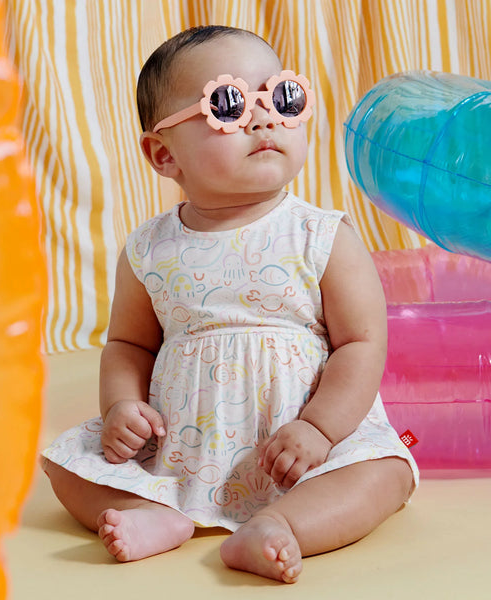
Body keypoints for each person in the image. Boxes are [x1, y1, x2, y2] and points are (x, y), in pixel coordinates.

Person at [41, 25, 419, 585]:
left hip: (301, 443)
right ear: (164, 153)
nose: (264, 119)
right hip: (181, 450)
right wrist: (121, 406)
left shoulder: (320, 235)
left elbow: (361, 343)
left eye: (283, 97)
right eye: (228, 105)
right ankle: (157, 512)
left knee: (385, 472)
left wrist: (320, 429)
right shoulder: (149, 249)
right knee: (65, 464)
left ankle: (281, 525)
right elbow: (129, 344)